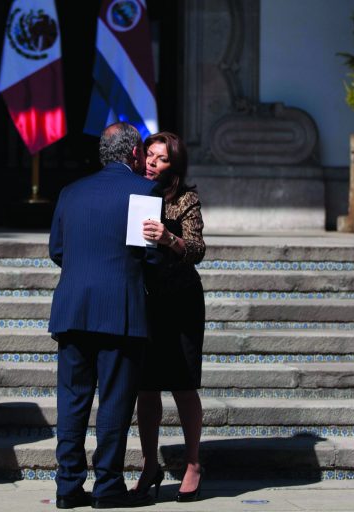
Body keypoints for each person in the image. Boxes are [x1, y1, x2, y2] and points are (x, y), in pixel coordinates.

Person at [48, 122, 160, 509]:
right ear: (134, 155)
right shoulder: (145, 190)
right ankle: (108, 485)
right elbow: (149, 252)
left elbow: (57, 251)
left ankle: (67, 487)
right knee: (114, 401)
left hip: (73, 308)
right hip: (120, 311)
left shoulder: (70, 192)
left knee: (72, 401)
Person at [135, 132, 206, 502]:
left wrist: (169, 239)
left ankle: (193, 462)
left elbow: (197, 249)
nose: (151, 162)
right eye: (149, 154)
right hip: (144, 300)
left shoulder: (185, 200)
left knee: (182, 384)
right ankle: (150, 463)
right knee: (145, 388)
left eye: (160, 158)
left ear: (173, 165)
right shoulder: (132, 192)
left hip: (180, 301)